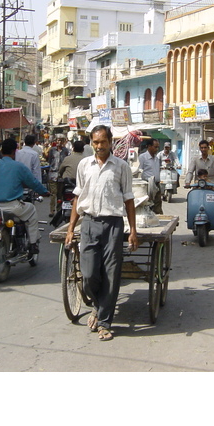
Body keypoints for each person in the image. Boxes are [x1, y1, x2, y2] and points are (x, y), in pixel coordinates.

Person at [64, 125, 138, 342]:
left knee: (111, 276)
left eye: (103, 142)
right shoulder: (84, 165)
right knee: (88, 275)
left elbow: (129, 199)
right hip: (89, 224)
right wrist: (70, 229)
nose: (99, 146)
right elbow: (78, 197)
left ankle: (105, 322)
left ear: (110, 142)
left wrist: (132, 231)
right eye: (95, 142)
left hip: (113, 225)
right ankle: (98, 305)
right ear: (91, 142)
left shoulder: (121, 167)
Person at [0, 138, 49, 254]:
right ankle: (33, 243)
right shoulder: (19, 167)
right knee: (32, 210)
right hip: (12, 206)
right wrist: (44, 191)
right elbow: (33, 183)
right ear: (15, 151)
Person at [46, 137, 69, 217]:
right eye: (58, 140)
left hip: (61, 175)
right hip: (53, 174)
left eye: (61, 140)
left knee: (60, 194)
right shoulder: (52, 150)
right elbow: (49, 161)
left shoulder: (66, 151)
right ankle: (52, 210)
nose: (59, 142)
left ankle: (59, 210)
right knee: (53, 193)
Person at [138, 138, 162, 215]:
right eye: (155, 147)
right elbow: (139, 171)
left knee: (157, 204)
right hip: (147, 185)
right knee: (148, 205)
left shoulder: (157, 158)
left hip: (156, 185)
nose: (157, 149)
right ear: (149, 146)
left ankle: (159, 218)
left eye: (158, 147)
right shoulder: (142, 157)